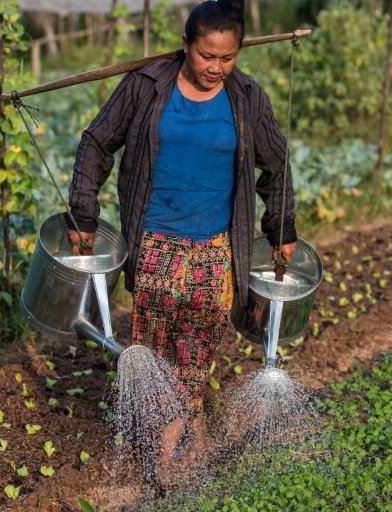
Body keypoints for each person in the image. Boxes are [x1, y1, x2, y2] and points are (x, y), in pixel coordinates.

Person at [67, 0, 297, 487]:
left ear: (238, 53)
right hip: (154, 241)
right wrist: (83, 213)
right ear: (187, 45)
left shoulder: (247, 98)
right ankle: (178, 427)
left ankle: (172, 436)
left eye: (227, 58)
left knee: (198, 344)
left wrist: (281, 230)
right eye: (206, 56)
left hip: (216, 246)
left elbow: (275, 164)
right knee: (153, 344)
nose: (216, 68)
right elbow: (95, 142)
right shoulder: (146, 86)